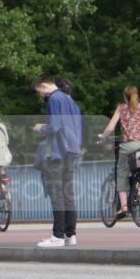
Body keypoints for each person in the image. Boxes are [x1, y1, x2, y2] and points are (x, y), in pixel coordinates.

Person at [32, 74, 82, 248]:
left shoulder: (54, 99)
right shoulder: (70, 100)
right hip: (72, 150)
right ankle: (71, 234)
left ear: (44, 85)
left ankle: (57, 235)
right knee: (68, 193)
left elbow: (55, 126)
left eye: (39, 91)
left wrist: (41, 128)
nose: (40, 95)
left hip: (58, 152)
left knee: (57, 193)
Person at [98, 86, 140, 220]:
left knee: (121, 173)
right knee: (139, 168)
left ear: (124, 96)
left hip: (129, 145)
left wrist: (103, 136)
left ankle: (123, 207)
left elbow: (111, 127)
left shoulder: (121, 108)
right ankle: (139, 191)